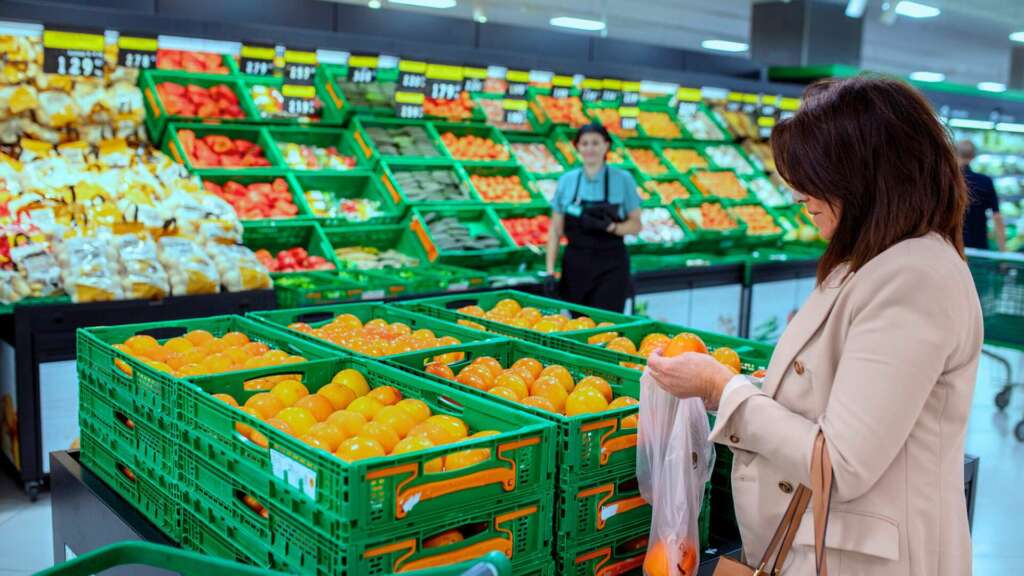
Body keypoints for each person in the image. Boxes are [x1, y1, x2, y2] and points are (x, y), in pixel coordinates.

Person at [647, 77, 979, 575]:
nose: (802, 197)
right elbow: (837, 398)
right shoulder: (871, 262)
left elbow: (840, 464)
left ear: (866, 178)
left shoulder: (913, 279)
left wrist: (725, 388)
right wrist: (735, 390)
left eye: (813, 181)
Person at [545, 123, 642, 312]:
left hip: (611, 267)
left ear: (606, 146)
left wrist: (613, 227)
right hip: (575, 267)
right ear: (577, 147)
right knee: (577, 326)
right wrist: (550, 271)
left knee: (606, 327)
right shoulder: (567, 181)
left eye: (596, 143)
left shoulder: (623, 179)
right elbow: (556, 230)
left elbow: (636, 225)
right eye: (585, 143)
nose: (590, 148)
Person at [957, 139, 1007, 251]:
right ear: (973, 156)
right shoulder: (985, 181)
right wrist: (1003, 250)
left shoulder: (947, 180)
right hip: (978, 244)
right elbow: (997, 217)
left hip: (951, 243)